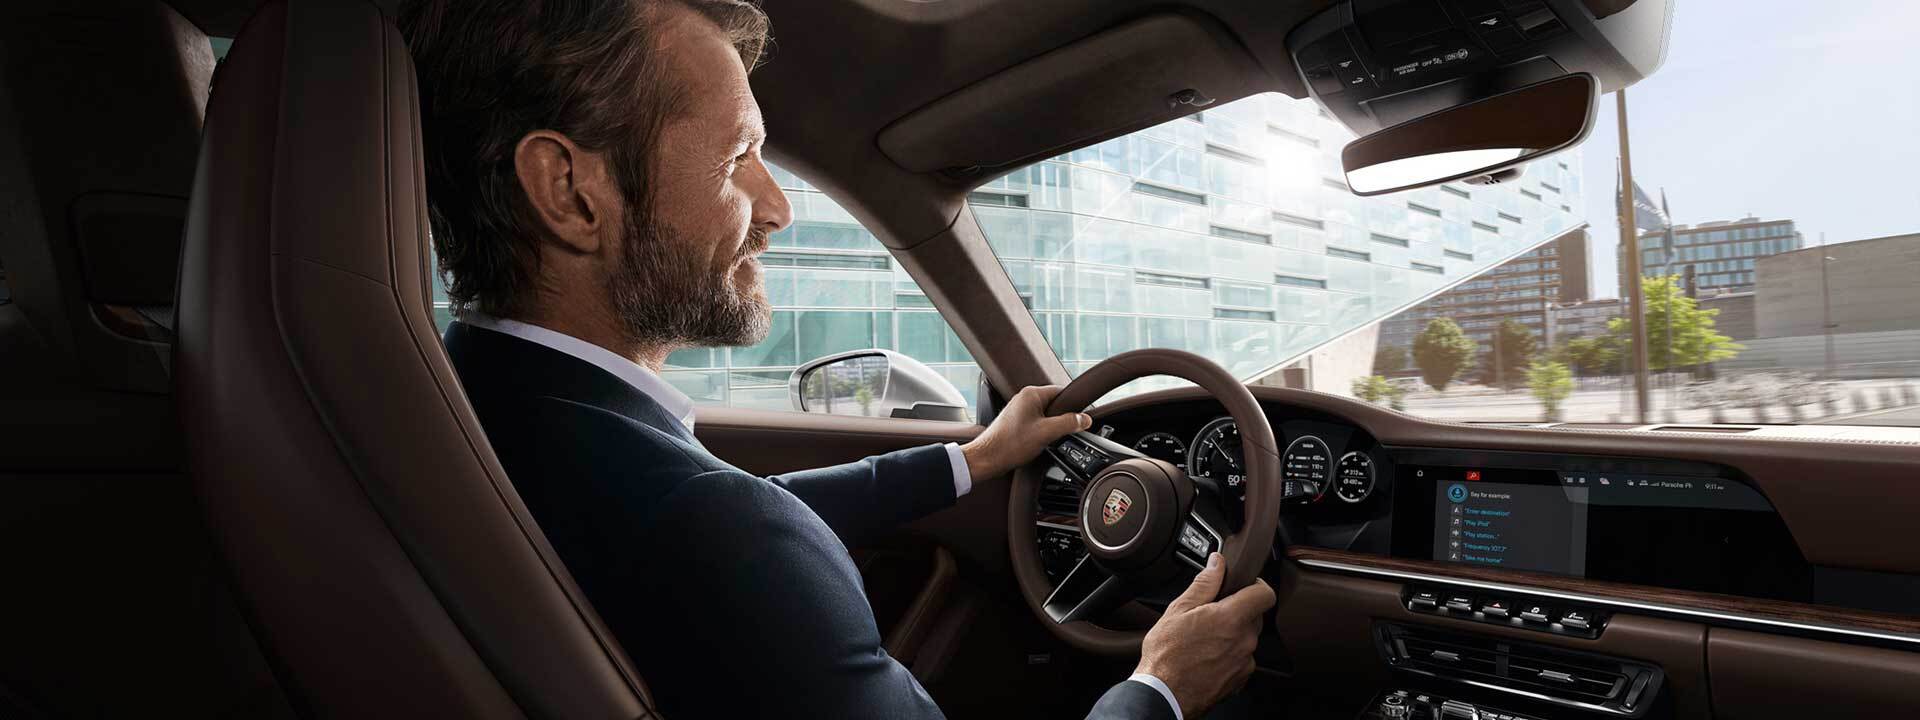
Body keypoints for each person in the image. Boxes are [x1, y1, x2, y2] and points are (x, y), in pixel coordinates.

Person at [400, 1, 1276, 717]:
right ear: (570, 192)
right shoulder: (707, 529)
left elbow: (746, 516)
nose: (777, 206)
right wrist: (1159, 689)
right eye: (740, 157)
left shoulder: (477, 403)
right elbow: (735, 528)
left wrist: (970, 462)